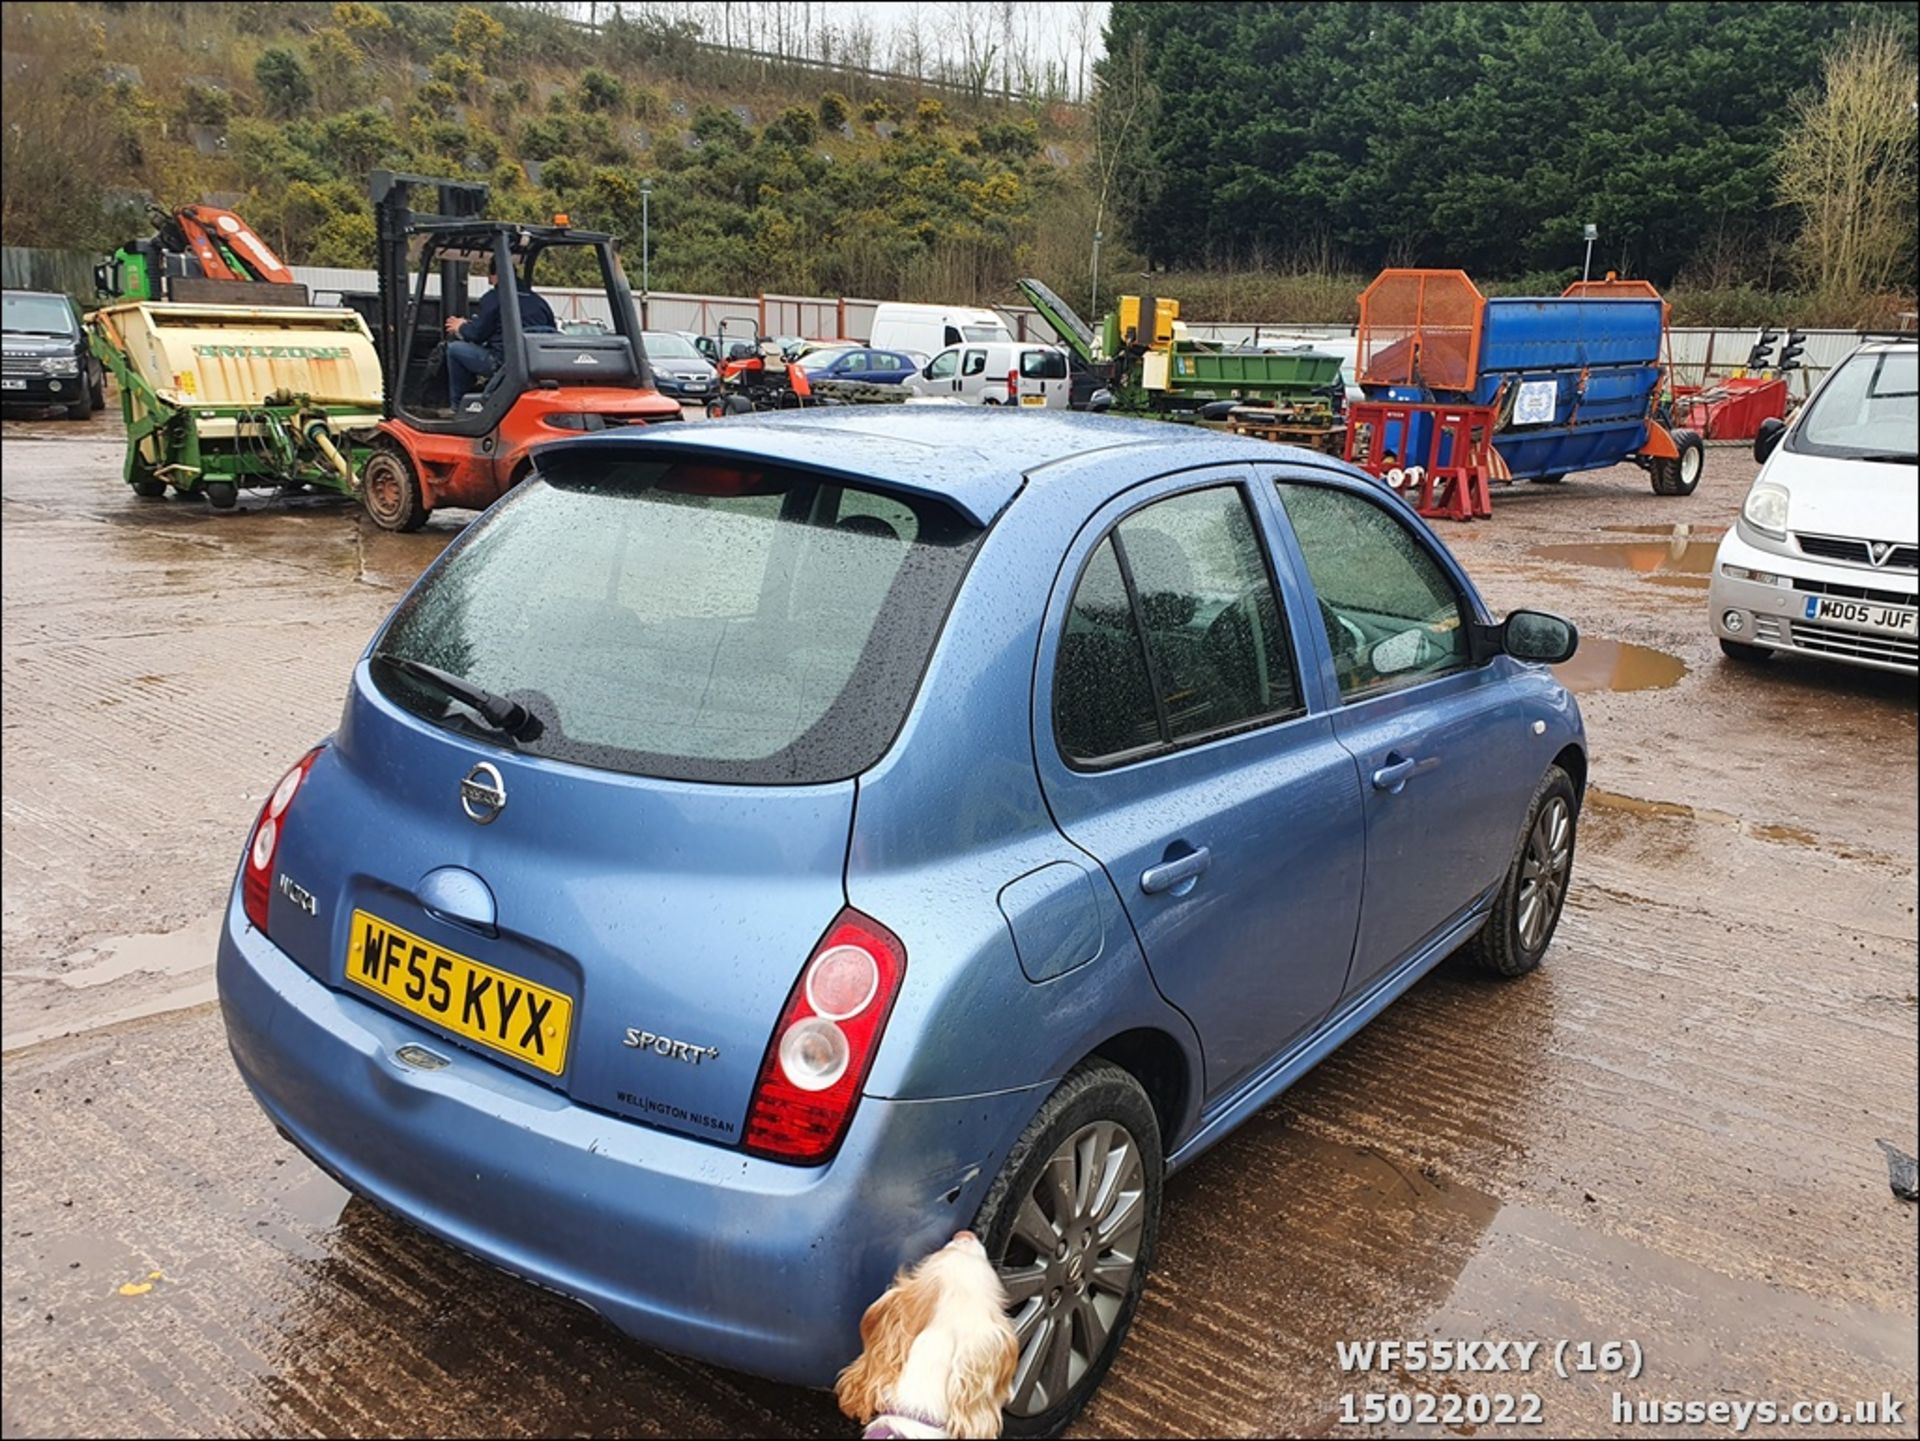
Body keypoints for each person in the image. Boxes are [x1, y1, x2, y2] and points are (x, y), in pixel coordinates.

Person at [443, 252, 557, 407]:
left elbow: (477, 334)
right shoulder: (539, 302)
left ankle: (458, 406)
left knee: (455, 349)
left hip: (503, 363)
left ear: (493, 275)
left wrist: (461, 326)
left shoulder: (495, 298)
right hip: (535, 364)